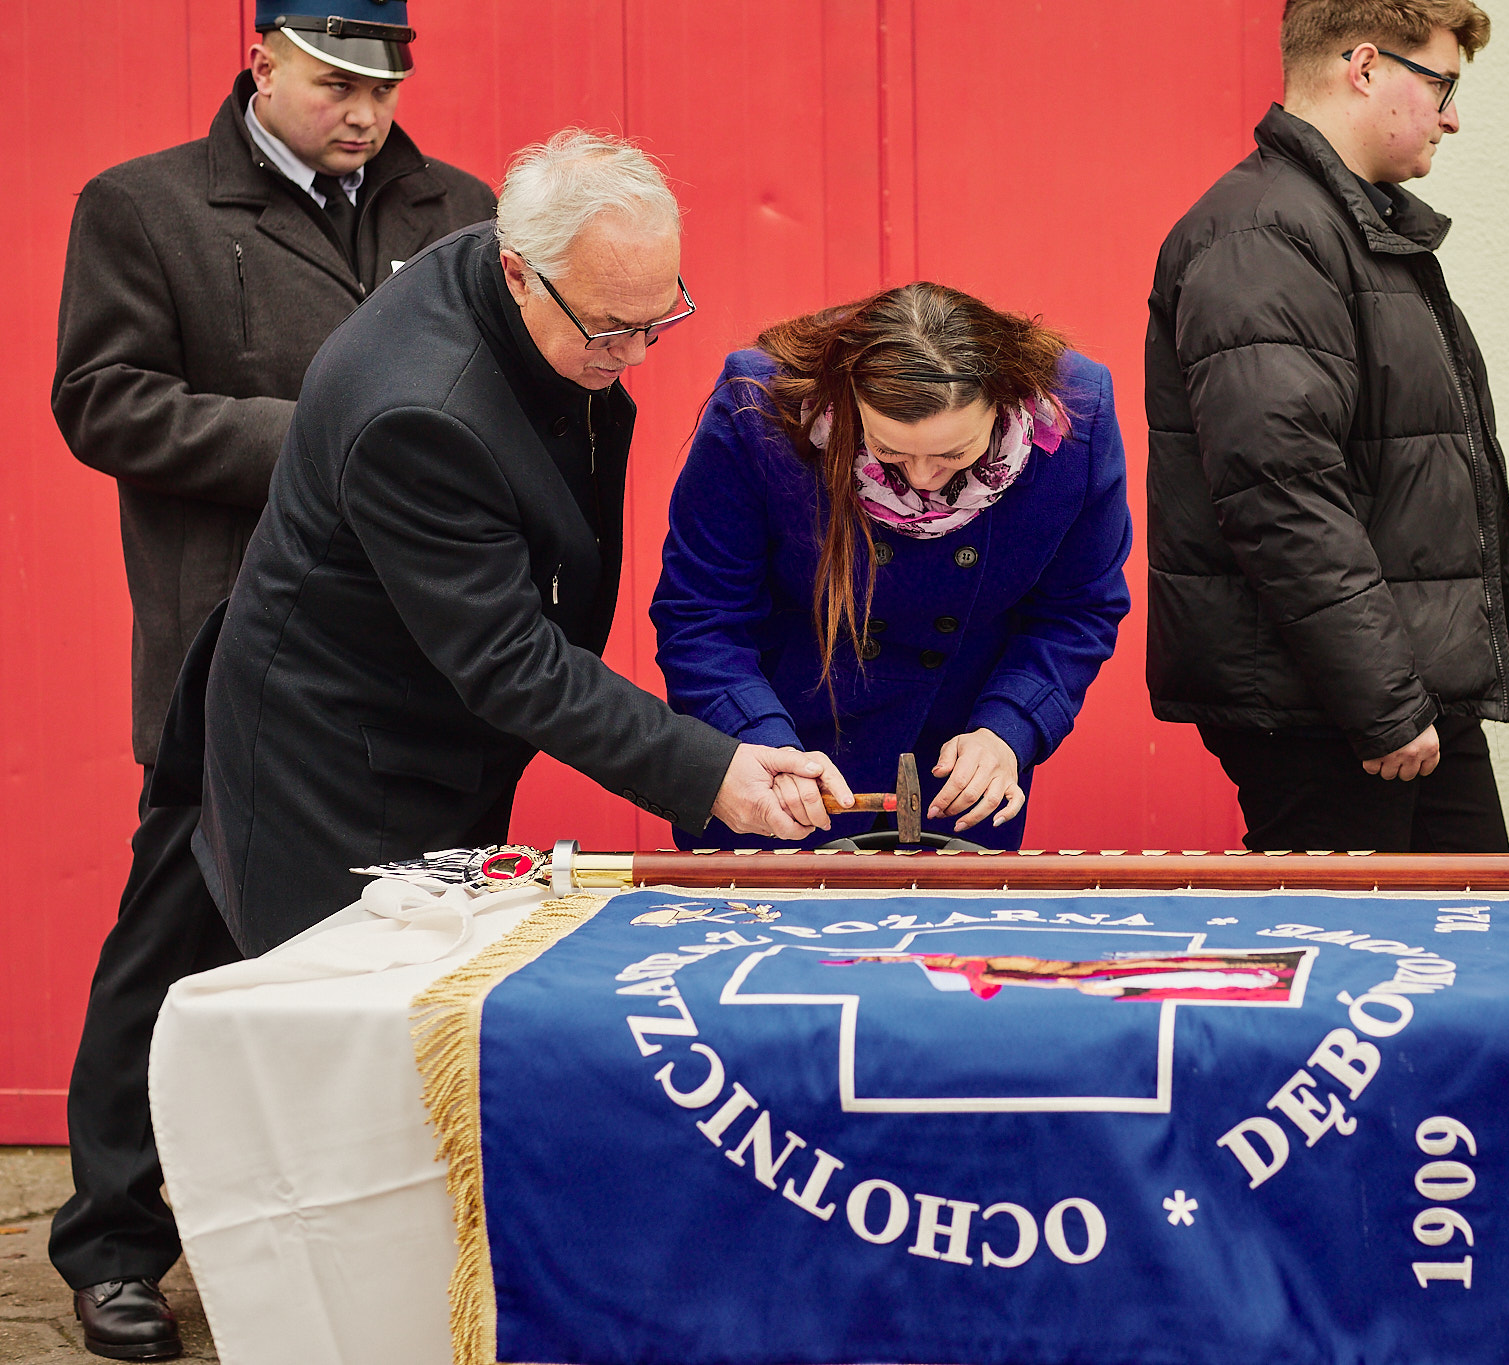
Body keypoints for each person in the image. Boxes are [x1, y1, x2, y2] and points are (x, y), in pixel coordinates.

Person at [47, 4, 496, 1354]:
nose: (364, 112)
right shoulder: (144, 206)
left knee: (406, 948)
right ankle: (113, 1244)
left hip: (417, 656)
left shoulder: (463, 211)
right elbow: (103, 401)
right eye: (334, 84)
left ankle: (394, 1238)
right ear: (261, 64)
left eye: (385, 87)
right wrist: (320, 439)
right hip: (232, 654)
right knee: (176, 939)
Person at [195, 129, 852, 954]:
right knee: (362, 1000)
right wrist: (709, 771)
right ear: (518, 273)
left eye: (658, 319)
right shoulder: (421, 418)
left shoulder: (533, 272)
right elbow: (508, 657)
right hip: (343, 769)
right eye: (611, 329)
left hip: (440, 728)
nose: (636, 354)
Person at [1144, 0, 1509, 853]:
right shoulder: (1263, 237)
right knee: (1360, 938)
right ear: (1364, 68)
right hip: (1332, 713)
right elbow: (1280, 495)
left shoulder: (1348, 227)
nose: (1452, 118)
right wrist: (1382, 702)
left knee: (1479, 920)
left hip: (1389, 692)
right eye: (1441, 86)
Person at [651, 283, 1132, 848]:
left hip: (956, 773)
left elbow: (1078, 610)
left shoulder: (1075, 416)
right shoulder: (761, 407)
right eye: (890, 452)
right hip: (780, 762)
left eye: (954, 454)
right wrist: (757, 735)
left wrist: (1009, 728)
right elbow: (701, 613)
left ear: (1004, 403)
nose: (923, 478)